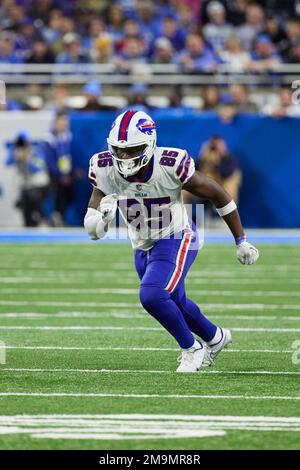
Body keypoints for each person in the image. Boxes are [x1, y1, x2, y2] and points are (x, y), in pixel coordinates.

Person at [84, 110, 259, 373]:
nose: (124, 158)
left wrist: (241, 239)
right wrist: (104, 220)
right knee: (175, 301)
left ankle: (191, 349)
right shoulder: (104, 167)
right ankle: (215, 337)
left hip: (176, 235)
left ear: (149, 144)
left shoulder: (170, 164)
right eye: (119, 151)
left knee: (152, 295)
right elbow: (93, 232)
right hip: (142, 244)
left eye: (131, 150)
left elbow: (218, 193)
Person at [6, 131, 50, 226]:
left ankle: (42, 219)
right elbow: (7, 162)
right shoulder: (16, 152)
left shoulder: (36, 151)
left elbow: (39, 167)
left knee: (35, 200)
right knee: (26, 208)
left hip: (38, 186)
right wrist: (14, 152)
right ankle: (29, 223)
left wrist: (28, 160)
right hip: (25, 187)